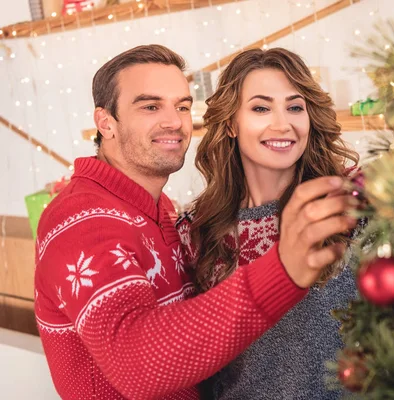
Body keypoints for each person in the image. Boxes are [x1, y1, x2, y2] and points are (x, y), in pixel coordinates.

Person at [33, 44, 357, 400]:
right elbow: (139, 363)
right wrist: (282, 270)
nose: (174, 121)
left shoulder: (163, 215)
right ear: (105, 122)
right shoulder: (84, 221)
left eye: (183, 106)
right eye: (151, 106)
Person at [185, 47, 361, 399]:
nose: (282, 124)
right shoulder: (197, 231)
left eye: (295, 107)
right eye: (261, 108)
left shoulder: (350, 204)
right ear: (232, 123)